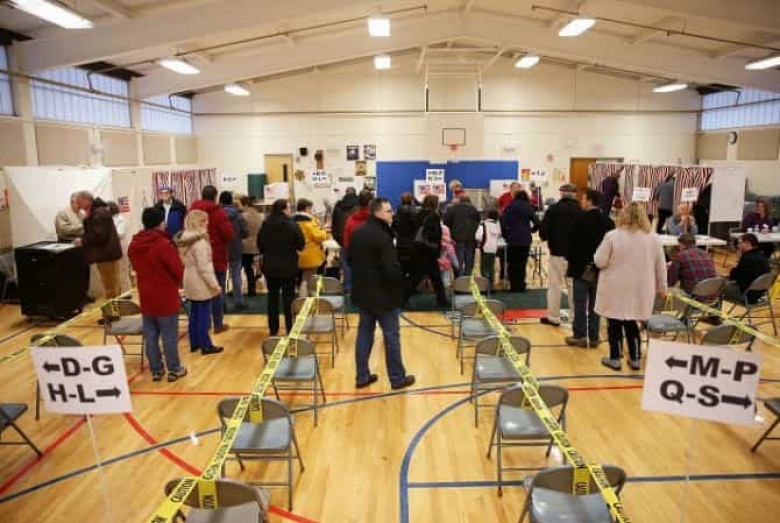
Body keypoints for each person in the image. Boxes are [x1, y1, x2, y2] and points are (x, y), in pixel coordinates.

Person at [348, 197, 415, 390]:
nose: (391, 213)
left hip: (363, 293)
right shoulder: (383, 236)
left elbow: (350, 259)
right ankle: (397, 378)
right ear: (377, 212)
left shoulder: (357, 232)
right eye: (388, 210)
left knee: (364, 335)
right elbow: (390, 268)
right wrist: (401, 283)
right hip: (384, 295)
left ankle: (362, 376)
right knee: (391, 337)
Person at [595, 202, 666, 371]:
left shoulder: (612, 236)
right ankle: (635, 358)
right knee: (632, 322)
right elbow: (661, 266)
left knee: (614, 322)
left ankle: (615, 357)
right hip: (640, 287)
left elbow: (600, 261)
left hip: (615, 286)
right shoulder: (653, 238)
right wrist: (663, 288)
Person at [127, 207, 187, 382]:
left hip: (146, 294)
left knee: (151, 336)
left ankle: (156, 369)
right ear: (160, 223)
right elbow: (177, 270)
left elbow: (135, 266)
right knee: (169, 335)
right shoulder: (163, 244)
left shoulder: (134, 244)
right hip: (165, 295)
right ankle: (174, 369)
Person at [564, 190, 614, 348]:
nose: (581, 201)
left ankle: (579, 335)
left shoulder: (579, 219)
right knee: (596, 305)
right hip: (601, 269)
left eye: (584, 198)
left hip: (580, 268)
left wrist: (570, 259)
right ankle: (594, 336)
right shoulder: (608, 222)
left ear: (590, 201)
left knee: (580, 303)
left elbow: (571, 244)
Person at [176, 210, 224, 356]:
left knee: (194, 313)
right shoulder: (200, 242)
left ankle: (195, 342)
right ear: (198, 222)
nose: (207, 223)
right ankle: (206, 345)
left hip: (189, 277)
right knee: (203, 313)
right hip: (200, 280)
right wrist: (214, 285)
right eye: (205, 221)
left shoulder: (184, 238)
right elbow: (204, 267)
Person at [190, 186, 234, 333]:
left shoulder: (192, 211)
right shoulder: (218, 213)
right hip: (216, 255)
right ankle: (218, 324)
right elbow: (228, 234)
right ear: (215, 196)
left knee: (200, 293)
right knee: (216, 290)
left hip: (195, 257)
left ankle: (204, 324)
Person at [257, 199, 305, 336]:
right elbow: (301, 244)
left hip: (270, 265)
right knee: (289, 298)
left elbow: (260, 245)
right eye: (289, 208)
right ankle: (290, 328)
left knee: (272, 298)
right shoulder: (292, 225)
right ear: (284, 210)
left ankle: (273, 329)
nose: (290, 211)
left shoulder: (266, 224)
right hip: (288, 266)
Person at [539, 183, 582, 326]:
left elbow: (543, 232)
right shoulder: (581, 210)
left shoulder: (553, 209)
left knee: (554, 286)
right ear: (575, 194)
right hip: (576, 255)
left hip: (557, 253)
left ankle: (553, 317)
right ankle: (576, 317)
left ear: (561, 193)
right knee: (573, 287)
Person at [75, 192, 123, 301]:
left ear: (86, 201)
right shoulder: (98, 212)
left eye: (79, 203)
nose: (78, 206)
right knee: (113, 285)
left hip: (106, 255)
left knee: (111, 287)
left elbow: (99, 235)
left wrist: (83, 241)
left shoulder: (99, 213)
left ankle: (113, 310)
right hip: (107, 254)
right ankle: (116, 307)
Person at [405, 194, 449, 307]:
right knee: (435, 278)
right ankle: (442, 301)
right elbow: (435, 234)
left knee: (415, 277)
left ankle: (402, 298)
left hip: (418, 249)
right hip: (429, 251)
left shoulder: (418, 214)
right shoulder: (434, 216)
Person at [501, 190, 540, 292]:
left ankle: (513, 286)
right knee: (522, 263)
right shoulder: (528, 207)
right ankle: (521, 285)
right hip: (525, 239)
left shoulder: (509, 207)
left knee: (512, 263)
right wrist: (531, 230)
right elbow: (538, 223)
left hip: (512, 239)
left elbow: (503, 222)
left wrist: (506, 235)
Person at [219, 191, 248, 310]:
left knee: (220, 277)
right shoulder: (238, 215)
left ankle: (221, 303)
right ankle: (238, 301)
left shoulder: (217, 214)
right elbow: (245, 233)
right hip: (236, 248)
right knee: (236, 275)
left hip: (220, 249)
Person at [724, 233, 770, 303]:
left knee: (716, 286)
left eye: (740, 243)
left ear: (747, 243)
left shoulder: (747, 258)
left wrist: (739, 259)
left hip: (747, 296)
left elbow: (734, 276)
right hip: (760, 293)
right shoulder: (762, 255)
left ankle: (714, 309)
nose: (738, 246)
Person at [342, 190, 373, 292]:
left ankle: (348, 286)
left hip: (353, 249)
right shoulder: (374, 218)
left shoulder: (351, 218)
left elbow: (346, 236)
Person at [294, 198, 327, 294]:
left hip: (297, 253)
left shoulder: (293, 220)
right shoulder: (309, 221)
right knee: (308, 278)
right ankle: (305, 297)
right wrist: (323, 230)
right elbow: (319, 236)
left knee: (301, 277)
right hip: (310, 254)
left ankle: (300, 294)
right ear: (307, 208)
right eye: (310, 208)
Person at [443, 195, 480, 276]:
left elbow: (446, 222)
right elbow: (478, 223)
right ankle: (468, 277)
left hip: (457, 237)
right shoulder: (474, 209)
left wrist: (451, 233)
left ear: (460, 201)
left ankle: (459, 278)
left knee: (458, 259)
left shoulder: (453, 209)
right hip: (471, 237)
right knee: (469, 258)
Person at [332, 187, 359, 283]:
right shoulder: (361, 205)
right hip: (359, 240)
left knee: (345, 264)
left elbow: (334, 225)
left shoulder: (338, 206)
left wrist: (338, 239)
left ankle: (348, 286)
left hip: (343, 240)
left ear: (345, 193)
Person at [240, 196, 263, 297]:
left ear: (245, 205)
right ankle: (252, 288)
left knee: (243, 268)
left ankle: (240, 290)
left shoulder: (244, 216)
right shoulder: (259, 216)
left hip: (245, 245)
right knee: (249, 267)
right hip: (256, 244)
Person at [393, 192, 419, 279]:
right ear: (411, 200)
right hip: (412, 242)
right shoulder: (415, 212)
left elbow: (394, 227)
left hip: (401, 242)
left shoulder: (397, 212)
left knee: (402, 266)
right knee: (413, 267)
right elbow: (417, 227)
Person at [108, 201, 131, 292]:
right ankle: (120, 292)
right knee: (116, 273)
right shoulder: (110, 219)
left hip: (121, 248)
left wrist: (106, 233)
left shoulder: (120, 219)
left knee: (123, 272)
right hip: (113, 249)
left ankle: (126, 292)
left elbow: (120, 233)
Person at [475, 209, 501, 289]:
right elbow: (499, 235)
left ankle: (485, 285)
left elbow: (478, 236)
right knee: (491, 267)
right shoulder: (497, 225)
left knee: (484, 267)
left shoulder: (483, 224)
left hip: (485, 247)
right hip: (494, 248)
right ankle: (491, 284)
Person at [438, 224, 459, 288]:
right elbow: (453, 257)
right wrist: (457, 266)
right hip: (446, 266)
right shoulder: (449, 246)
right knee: (446, 280)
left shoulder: (435, 245)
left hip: (437, 265)